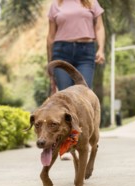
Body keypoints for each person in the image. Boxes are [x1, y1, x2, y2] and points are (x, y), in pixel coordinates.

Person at [46, 0, 106, 160]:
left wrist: (101, 49)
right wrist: (50, 64)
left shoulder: (91, 2)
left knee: (83, 96)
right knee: (64, 98)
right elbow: (51, 36)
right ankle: (67, 147)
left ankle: (83, 141)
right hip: (61, 50)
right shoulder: (56, 5)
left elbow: (99, 27)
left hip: (85, 51)